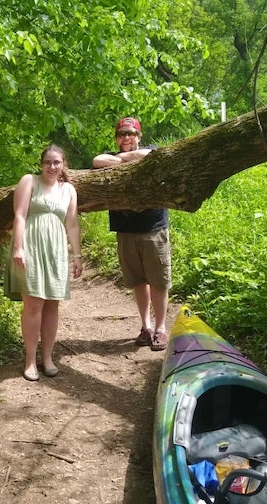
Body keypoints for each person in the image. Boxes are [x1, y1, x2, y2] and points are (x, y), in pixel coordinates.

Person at [92, 116, 170, 351]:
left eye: (131, 134)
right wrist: (122, 161)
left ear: (139, 136)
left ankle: (160, 329)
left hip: (153, 228)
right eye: (122, 134)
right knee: (138, 281)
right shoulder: (107, 155)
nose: (126, 138)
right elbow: (96, 161)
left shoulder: (152, 152)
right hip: (125, 231)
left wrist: (118, 161)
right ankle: (145, 327)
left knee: (159, 281)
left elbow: (145, 156)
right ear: (116, 138)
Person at [6, 144, 83, 381]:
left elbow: (71, 224)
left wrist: (77, 256)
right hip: (30, 246)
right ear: (41, 164)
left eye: (56, 162)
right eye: (48, 162)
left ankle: (47, 357)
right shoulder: (29, 181)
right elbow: (19, 215)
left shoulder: (69, 189)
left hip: (56, 250)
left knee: (52, 305)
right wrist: (18, 247)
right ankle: (30, 360)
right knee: (33, 305)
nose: (52, 167)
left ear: (63, 164)